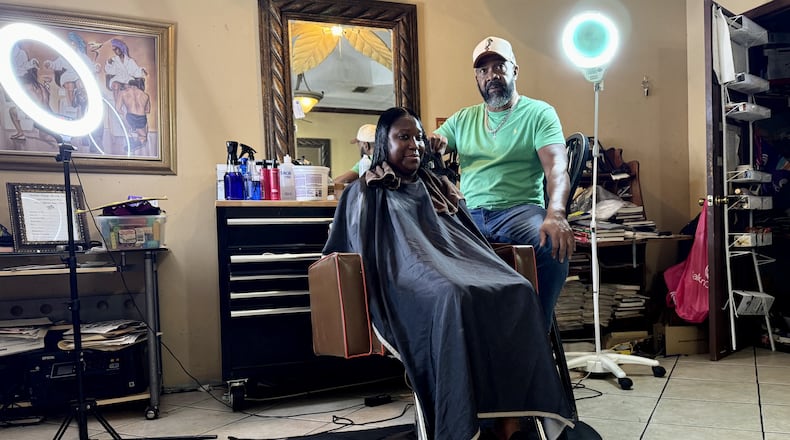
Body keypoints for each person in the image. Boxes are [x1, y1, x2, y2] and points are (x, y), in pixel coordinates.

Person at [324, 107, 573, 440]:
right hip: (406, 278)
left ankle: (509, 424)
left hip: (456, 266)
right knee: (453, 295)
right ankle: (460, 425)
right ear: (383, 142)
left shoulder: (437, 188)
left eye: (419, 137)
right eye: (403, 137)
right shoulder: (367, 189)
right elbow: (364, 249)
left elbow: (465, 239)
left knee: (517, 288)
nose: (414, 144)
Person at [431, 36, 575, 331]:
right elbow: (438, 143)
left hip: (519, 211)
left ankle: (535, 336)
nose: (492, 75)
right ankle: (460, 342)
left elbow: (557, 168)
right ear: (476, 78)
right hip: (469, 214)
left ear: (515, 70)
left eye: (499, 66)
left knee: (552, 246)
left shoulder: (539, 113)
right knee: (423, 248)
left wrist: (556, 213)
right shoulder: (463, 119)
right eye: (483, 70)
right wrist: (434, 142)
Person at [116, 78, 151, 148]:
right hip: (142, 119)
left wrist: (124, 113)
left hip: (130, 118)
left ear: (129, 84)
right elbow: (147, 110)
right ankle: (142, 139)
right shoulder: (145, 95)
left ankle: (130, 139)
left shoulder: (123, 92)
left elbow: (118, 108)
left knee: (121, 120)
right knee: (143, 134)